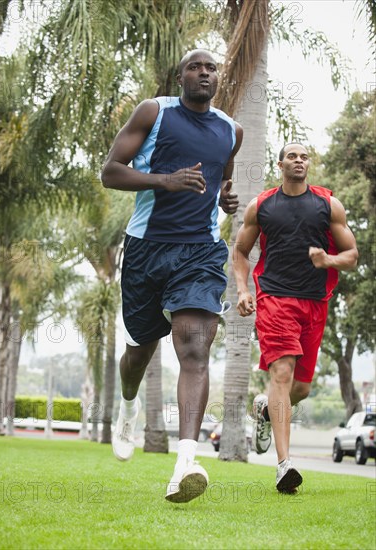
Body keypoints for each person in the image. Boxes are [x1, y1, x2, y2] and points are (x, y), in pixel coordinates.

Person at [101, 49, 243, 503]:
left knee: (195, 348)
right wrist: (165, 181)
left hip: (200, 252)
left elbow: (223, 177)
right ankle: (128, 405)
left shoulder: (230, 130)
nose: (205, 73)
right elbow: (110, 173)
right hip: (146, 249)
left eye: (211, 68)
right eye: (195, 66)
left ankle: (186, 462)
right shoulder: (154, 112)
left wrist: (224, 198)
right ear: (179, 76)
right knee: (139, 353)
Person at [233, 142, 358, 493]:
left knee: (300, 388)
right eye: (293, 156)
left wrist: (327, 261)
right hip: (274, 298)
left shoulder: (328, 205)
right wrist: (244, 290)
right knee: (283, 373)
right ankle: (284, 466)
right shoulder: (263, 205)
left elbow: (351, 254)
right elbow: (241, 252)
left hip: (315, 302)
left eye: (304, 157)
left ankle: (264, 410)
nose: (299, 161)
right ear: (281, 164)